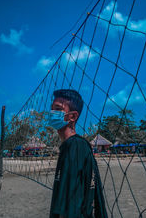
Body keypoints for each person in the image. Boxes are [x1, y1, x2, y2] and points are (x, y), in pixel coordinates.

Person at [48, 89, 107, 218]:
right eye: (52, 108)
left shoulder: (75, 146)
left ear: (73, 116)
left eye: (57, 109)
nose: (52, 113)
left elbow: (72, 202)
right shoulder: (71, 145)